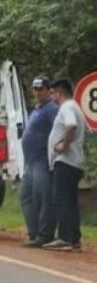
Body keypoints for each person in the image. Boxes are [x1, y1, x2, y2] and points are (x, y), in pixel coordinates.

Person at [44, 79, 88, 251]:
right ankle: (74, 238)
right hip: (74, 162)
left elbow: (71, 126)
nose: (52, 95)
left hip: (65, 161)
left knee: (62, 199)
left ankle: (65, 237)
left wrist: (64, 145)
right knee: (70, 201)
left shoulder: (67, 107)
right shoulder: (76, 107)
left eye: (53, 92)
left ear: (59, 92)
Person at [20, 76, 59, 247]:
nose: (37, 92)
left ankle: (45, 235)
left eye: (40, 89)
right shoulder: (37, 109)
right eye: (35, 89)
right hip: (31, 160)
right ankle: (34, 232)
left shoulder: (51, 109)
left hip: (42, 159)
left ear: (48, 91)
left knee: (44, 198)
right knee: (26, 196)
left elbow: (59, 128)